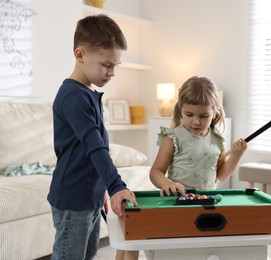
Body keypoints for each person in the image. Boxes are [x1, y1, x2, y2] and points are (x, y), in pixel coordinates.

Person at [47, 14, 138, 260]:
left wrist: (101, 191)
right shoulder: (73, 97)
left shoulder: (87, 93)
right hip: (73, 196)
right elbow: (94, 147)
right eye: (107, 65)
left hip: (89, 195)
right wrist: (116, 185)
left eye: (116, 65)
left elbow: (91, 152)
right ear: (80, 55)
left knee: (88, 255)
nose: (112, 73)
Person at [150, 76, 248, 196]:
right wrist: (167, 183)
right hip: (179, 201)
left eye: (203, 116)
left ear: (214, 113)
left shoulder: (216, 139)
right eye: (189, 114)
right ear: (181, 110)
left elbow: (222, 175)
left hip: (206, 200)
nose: (196, 121)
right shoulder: (172, 138)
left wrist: (236, 156)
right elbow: (155, 172)